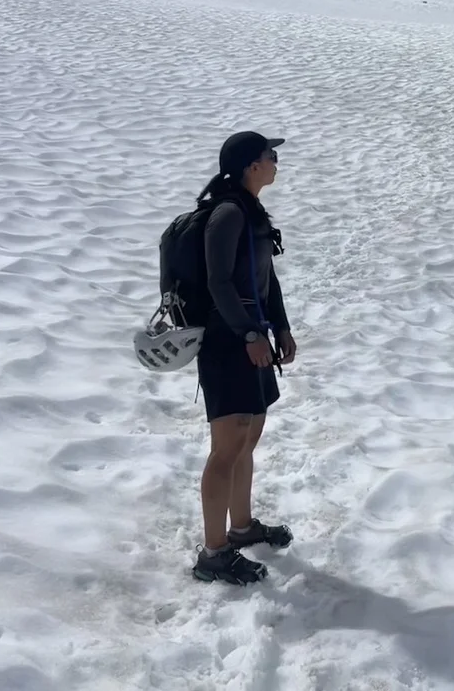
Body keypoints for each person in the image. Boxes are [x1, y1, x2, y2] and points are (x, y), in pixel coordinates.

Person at [191, 131, 298, 585]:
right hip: (228, 341)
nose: (275, 161)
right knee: (227, 445)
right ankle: (213, 554)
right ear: (252, 166)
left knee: (248, 436)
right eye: (270, 156)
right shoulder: (228, 214)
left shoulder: (251, 211)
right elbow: (218, 283)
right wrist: (250, 333)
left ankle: (241, 527)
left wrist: (281, 327)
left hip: (253, 337)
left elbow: (265, 278)